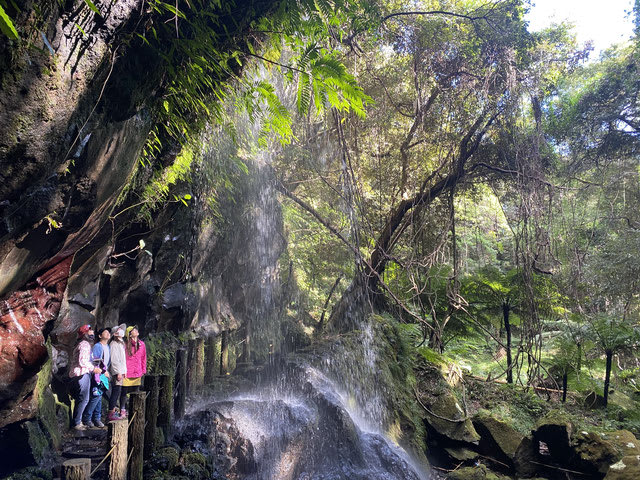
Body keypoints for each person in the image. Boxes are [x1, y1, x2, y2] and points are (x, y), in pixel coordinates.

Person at [69, 324, 101, 431]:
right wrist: (94, 368)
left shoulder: (84, 344)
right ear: (85, 334)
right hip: (81, 374)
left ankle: (78, 421)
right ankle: (77, 423)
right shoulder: (84, 344)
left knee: (82, 398)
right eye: (89, 331)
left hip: (81, 374)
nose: (92, 333)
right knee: (83, 398)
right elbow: (82, 361)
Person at [83, 327, 111, 428]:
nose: (108, 334)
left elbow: (107, 362)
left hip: (103, 375)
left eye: (109, 332)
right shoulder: (97, 346)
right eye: (106, 332)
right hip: (97, 375)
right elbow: (95, 361)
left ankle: (96, 418)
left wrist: (106, 371)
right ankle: (87, 418)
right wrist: (103, 372)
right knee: (96, 396)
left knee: (99, 397)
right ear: (100, 336)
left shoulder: (107, 347)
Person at [121, 326, 147, 415]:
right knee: (124, 391)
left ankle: (134, 410)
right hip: (127, 371)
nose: (135, 331)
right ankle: (122, 409)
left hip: (137, 371)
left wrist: (143, 370)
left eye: (136, 329)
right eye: (133, 330)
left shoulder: (142, 344)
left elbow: (143, 358)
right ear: (129, 334)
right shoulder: (125, 345)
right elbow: (122, 358)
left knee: (136, 391)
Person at [107, 323, 127, 421]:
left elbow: (123, 359)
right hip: (117, 372)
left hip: (121, 371)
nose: (121, 331)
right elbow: (114, 360)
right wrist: (118, 372)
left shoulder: (120, 343)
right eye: (119, 330)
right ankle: (111, 412)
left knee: (117, 391)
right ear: (115, 334)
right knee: (116, 391)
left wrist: (124, 371)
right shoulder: (113, 344)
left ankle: (113, 411)